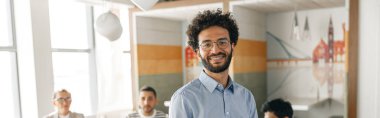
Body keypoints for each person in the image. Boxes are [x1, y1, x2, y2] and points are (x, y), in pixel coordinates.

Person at [169, 9, 258, 118]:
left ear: (232, 48)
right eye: (207, 44)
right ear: (198, 52)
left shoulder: (246, 97)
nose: (215, 50)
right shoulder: (183, 99)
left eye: (222, 42)